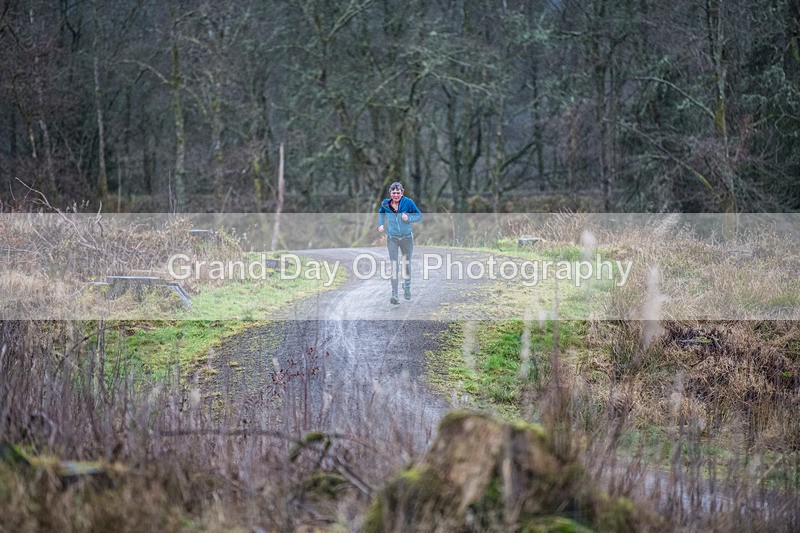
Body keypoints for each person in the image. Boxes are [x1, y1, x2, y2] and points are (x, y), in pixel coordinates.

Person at [378, 182, 423, 304]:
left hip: (406, 238)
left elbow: (419, 216)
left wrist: (409, 219)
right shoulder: (386, 204)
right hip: (392, 238)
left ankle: (407, 286)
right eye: (394, 193)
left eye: (398, 193)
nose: (396, 195)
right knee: (394, 265)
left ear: (402, 192)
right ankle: (395, 294)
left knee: (406, 264)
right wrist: (381, 224)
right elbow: (381, 213)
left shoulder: (408, 202)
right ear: (390, 193)